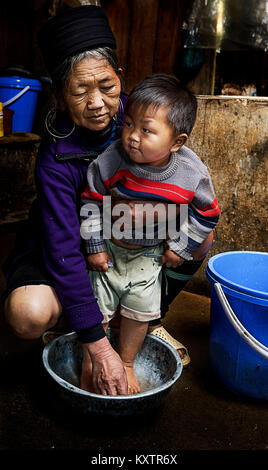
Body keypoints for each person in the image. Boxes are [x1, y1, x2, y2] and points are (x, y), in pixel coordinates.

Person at [1, 6, 214, 396]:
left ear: (121, 78)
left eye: (107, 86)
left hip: (128, 241)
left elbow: (184, 181)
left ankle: (145, 315)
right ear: (61, 98)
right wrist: (95, 345)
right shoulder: (54, 156)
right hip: (67, 244)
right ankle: (88, 320)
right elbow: (63, 245)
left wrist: (168, 225)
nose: (98, 102)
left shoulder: (143, 115)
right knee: (27, 316)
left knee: (198, 236)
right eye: (80, 91)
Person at [80, 73, 221, 393]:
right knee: (97, 310)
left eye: (146, 130)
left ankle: (127, 361)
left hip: (150, 255)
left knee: (139, 312)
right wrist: (95, 245)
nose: (131, 136)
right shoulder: (111, 159)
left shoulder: (190, 172)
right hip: (111, 253)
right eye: (129, 123)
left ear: (176, 142)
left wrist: (181, 247)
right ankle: (92, 358)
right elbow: (90, 201)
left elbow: (208, 211)